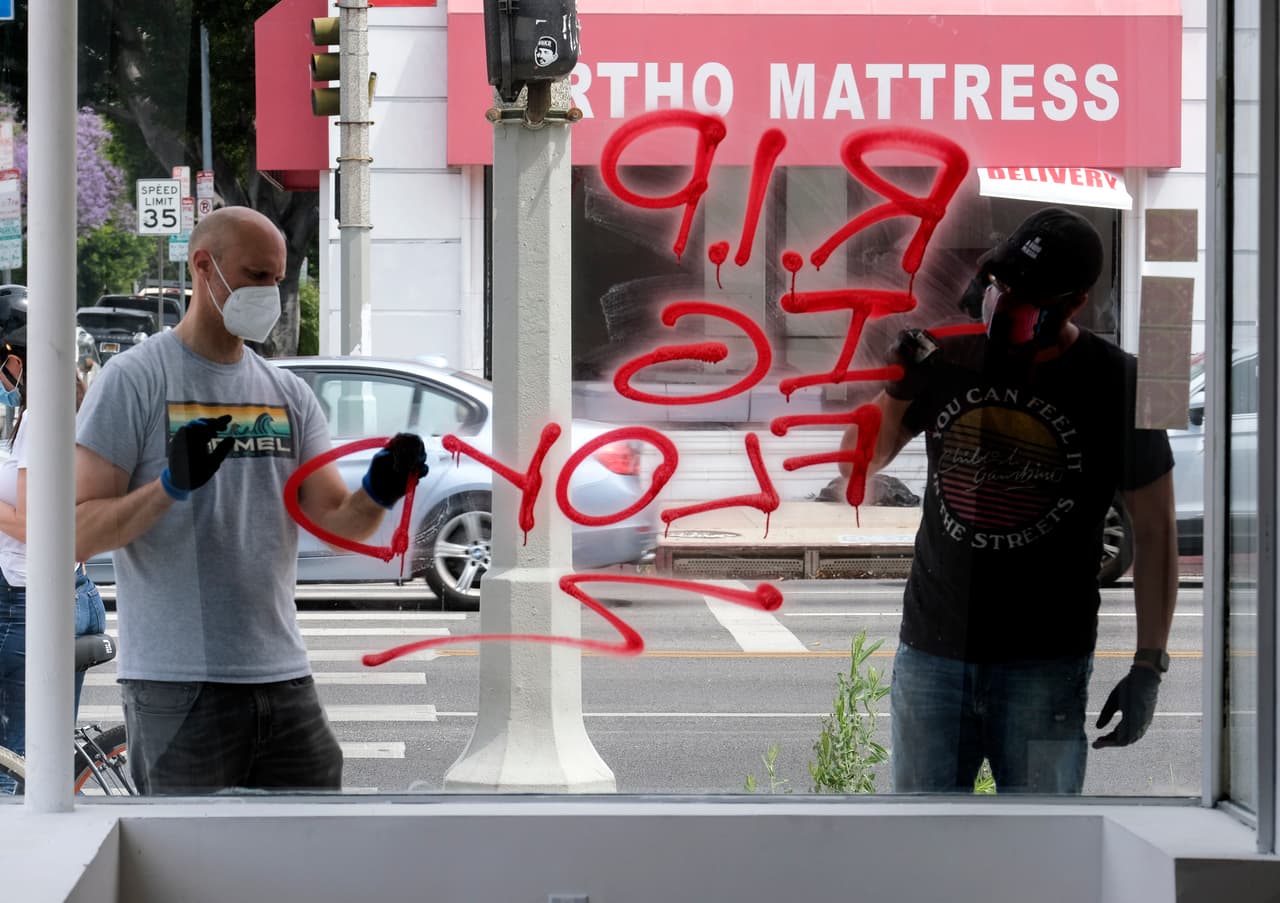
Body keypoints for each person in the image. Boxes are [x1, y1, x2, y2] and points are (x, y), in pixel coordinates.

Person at [74, 206, 427, 795]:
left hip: (283, 678)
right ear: (203, 267)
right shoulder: (134, 381)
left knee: (311, 867)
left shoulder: (286, 393)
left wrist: (383, 485)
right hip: (177, 684)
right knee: (191, 873)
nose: (272, 293)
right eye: (257, 275)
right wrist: (169, 488)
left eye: (278, 278)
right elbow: (78, 533)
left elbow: (340, 518)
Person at [842, 207, 1178, 794]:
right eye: (1000, 284)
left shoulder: (1120, 383)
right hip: (933, 656)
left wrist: (1149, 664)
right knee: (924, 853)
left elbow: (1156, 532)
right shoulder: (946, 359)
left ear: (1076, 302)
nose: (1004, 301)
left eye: (1028, 296)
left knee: (1045, 855)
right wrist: (897, 388)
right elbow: (858, 462)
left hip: (1045, 666)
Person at [0, 345, 107, 794]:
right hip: (73, 590)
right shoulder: (72, 411)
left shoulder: (40, 419)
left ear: (18, 363)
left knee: (14, 768)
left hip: (28, 602)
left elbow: (32, 525)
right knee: (46, 760)